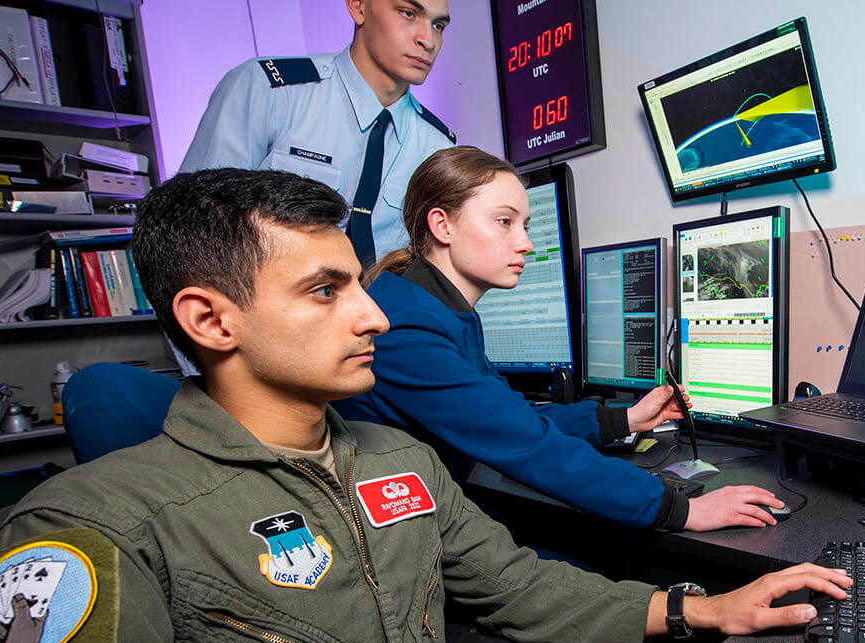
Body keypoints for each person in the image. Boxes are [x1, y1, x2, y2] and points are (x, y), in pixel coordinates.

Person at [0, 167, 851, 643]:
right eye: (325, 290)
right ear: (209, 319)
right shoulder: (86, 535)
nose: (375, 313)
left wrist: (702, 607)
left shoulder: (392, 459)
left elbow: (518, 584)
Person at [337, 146, 787, 532]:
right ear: (443, 225)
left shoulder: (434, 307)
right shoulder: (408, 326)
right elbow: (527, 442)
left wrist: (624, 419)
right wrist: (681, 509)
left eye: (526, 225)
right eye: (505, 222)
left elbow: (511, 416)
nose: (526, 243)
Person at [178, 0, 458, 268]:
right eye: (408, 13)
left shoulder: (437, 146)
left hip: (384, 319)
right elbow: (193, 230)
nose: (427, 40)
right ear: (358, 6)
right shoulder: (267, 92)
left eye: (438, 25)